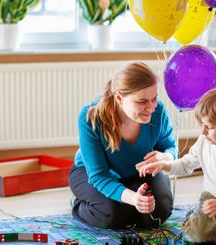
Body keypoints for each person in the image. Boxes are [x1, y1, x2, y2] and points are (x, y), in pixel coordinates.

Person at [136, 88, 216, 244]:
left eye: (210, 127)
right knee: (194, 236)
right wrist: (165, 165)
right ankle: (208, 221)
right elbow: (186, 165)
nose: (203, 132)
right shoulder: (203, 141)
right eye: (201, 125)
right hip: (211, 200)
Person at [69, 61, 176, 229]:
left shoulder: (159, 111)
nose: (151, 107)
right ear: (119, 98)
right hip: (92, 173)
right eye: (142, 101)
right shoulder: (90, 117)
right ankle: (80, 204)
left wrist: (166, 157)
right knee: (113, 215)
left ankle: (126, 202)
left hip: (137, 172)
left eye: (154, 98)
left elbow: (170, 147)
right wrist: (134, 199)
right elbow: (98, 175)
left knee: (159, 212)